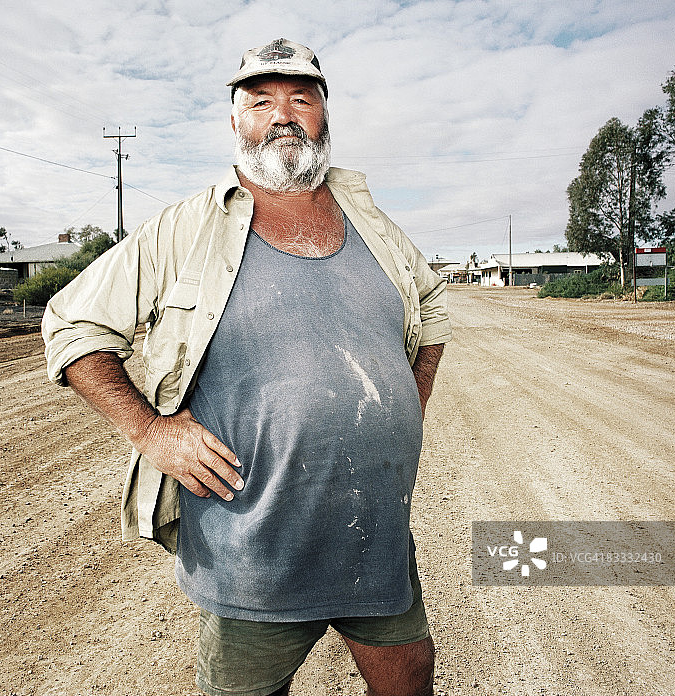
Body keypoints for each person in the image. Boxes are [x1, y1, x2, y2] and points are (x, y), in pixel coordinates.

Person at [42, 38, 451, 696]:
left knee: (411, 678)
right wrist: (152, 431)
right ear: (235, 122)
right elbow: (72, 322)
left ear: (324, 118)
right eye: (260, 102)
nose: (282, 115)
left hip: (375, 541)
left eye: (301, 99)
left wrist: (413, 393)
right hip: (255, 553)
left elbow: (430, 303)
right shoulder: (186, 227)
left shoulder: (370, 220)